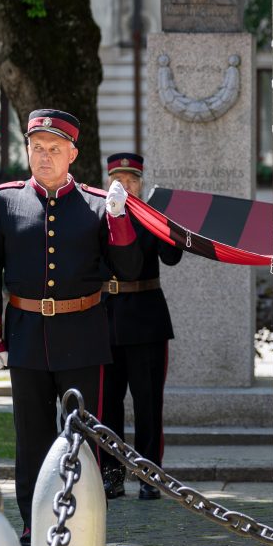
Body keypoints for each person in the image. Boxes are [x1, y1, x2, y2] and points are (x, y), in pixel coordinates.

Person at [0, 109, 142, 546]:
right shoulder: (3, 202)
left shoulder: (93, 203)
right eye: (36, 148)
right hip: (26, 337)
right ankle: (33, 532)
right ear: (27, 149)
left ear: (72, 154)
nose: (43, 157)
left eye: (53, 149)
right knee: (31, 443)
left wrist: (119, 220)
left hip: (84, 338)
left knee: (82, 444)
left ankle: (83, 537)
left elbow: (126, 270)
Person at [100, 152, 182, 501]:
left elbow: (173, 256)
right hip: (107, 321)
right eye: (118, 178)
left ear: (141, 182)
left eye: (131, 179)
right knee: (107, 405)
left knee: (148, 403)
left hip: (146, 319)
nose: (125, 184)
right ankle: (112, 473)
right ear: (108, 181)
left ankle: (150, 475)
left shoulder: (151, 216)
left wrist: (170, 224)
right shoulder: (98, 214)